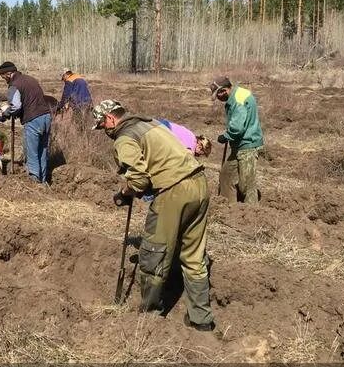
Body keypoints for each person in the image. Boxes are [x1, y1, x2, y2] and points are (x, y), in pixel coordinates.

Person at [92, 100, 214, 331]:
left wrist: (124, 192)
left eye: (102, 126)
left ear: (109, 119)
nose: (104, 132)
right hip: (199, 184)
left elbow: (139, 180)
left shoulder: (124, 137)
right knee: (194, 256)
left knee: (153, 255)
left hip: (174, 191)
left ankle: (149, 318)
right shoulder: (151, 123)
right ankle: (202, 320)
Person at [209, 76, 264, 204]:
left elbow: (238, 127)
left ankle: (251, 213)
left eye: (218, 95)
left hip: (247, 145)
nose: (218, 98)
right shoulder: (237, 94)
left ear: (224, 90)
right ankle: (228, 207)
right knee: (226, 175)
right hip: (239, 145)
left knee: (246, 185)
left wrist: (226, 136)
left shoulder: (238, 99)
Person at [0, 61, 52, 183]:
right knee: (42, 152)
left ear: (8, 74)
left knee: (31, 153)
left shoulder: (14, 85)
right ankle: (43, 183)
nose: (5, 80)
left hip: (33, 120)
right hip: (46, 117)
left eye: (3, 77)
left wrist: (5, 114)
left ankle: (33, 183)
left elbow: (16, 106)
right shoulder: (31, 79)